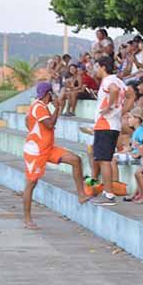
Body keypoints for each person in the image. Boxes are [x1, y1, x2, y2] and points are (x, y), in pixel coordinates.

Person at [22, 83, 91, 228]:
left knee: (75, 160)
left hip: (48, 148)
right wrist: (58, 108)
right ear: (48, 94)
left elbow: (27, 120)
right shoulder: (39, 107)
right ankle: (27, 219)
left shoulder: (40, 105)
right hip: (36, 152)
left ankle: (81, 195)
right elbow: (49, 124)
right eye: (52, 93)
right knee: (31, 184)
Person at [90, 56, 127, 206]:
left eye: (96, 67)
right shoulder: (120, 81)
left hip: (105, 124)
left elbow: (114, 90)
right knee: (105, 158)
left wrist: (109, 107)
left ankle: (109, 193)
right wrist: (121, 111)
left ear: (103, 67)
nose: (95, 70)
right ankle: (106, 190)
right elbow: (130, 95)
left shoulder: (108, 81)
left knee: (104, 160)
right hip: (114, 124)